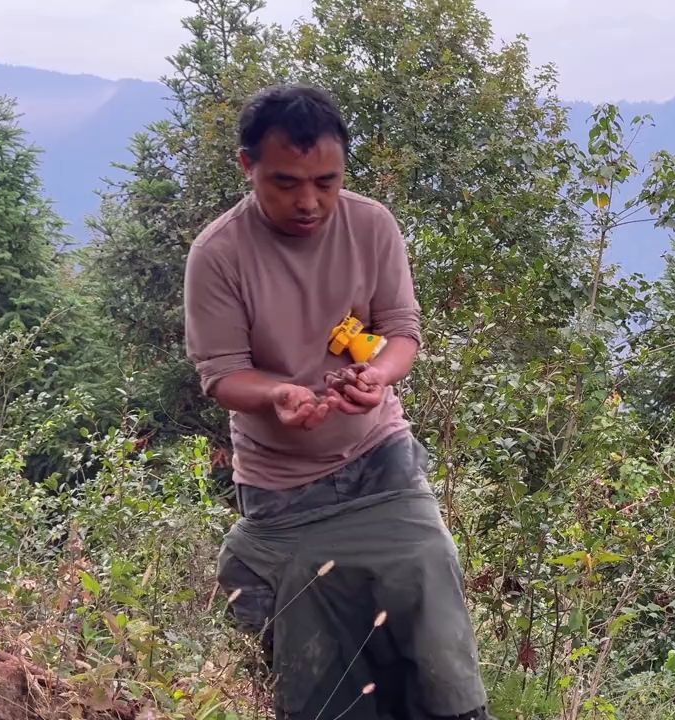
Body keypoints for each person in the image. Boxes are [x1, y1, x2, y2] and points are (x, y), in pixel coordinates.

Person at [183, 83, 491, 720]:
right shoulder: (218, 254)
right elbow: (221, 375)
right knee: (317, 659)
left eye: (326, 181)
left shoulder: (371, 225)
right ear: (249, 167)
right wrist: (280, 395)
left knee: (429, 586)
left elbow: (401, 333)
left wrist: (376, 377)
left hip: (380, 457)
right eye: (286, 182)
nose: (309, 201)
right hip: (281, 485)